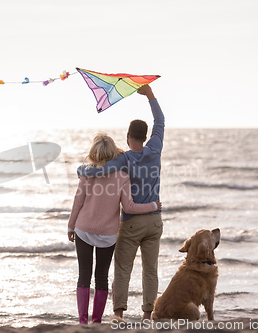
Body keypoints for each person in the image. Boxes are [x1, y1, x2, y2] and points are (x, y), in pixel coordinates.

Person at [77, 84, 164, 322]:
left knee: (123, 270)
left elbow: (99, 169)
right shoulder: (155, 148)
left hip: (132, 222)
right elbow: (160, 120)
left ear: (127, 137)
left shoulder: (123, 159)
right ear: (146, 138)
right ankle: (147, 315)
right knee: (150, 270)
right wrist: (150, 96)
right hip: (155, 221)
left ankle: (119, 314)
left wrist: (80, 169)